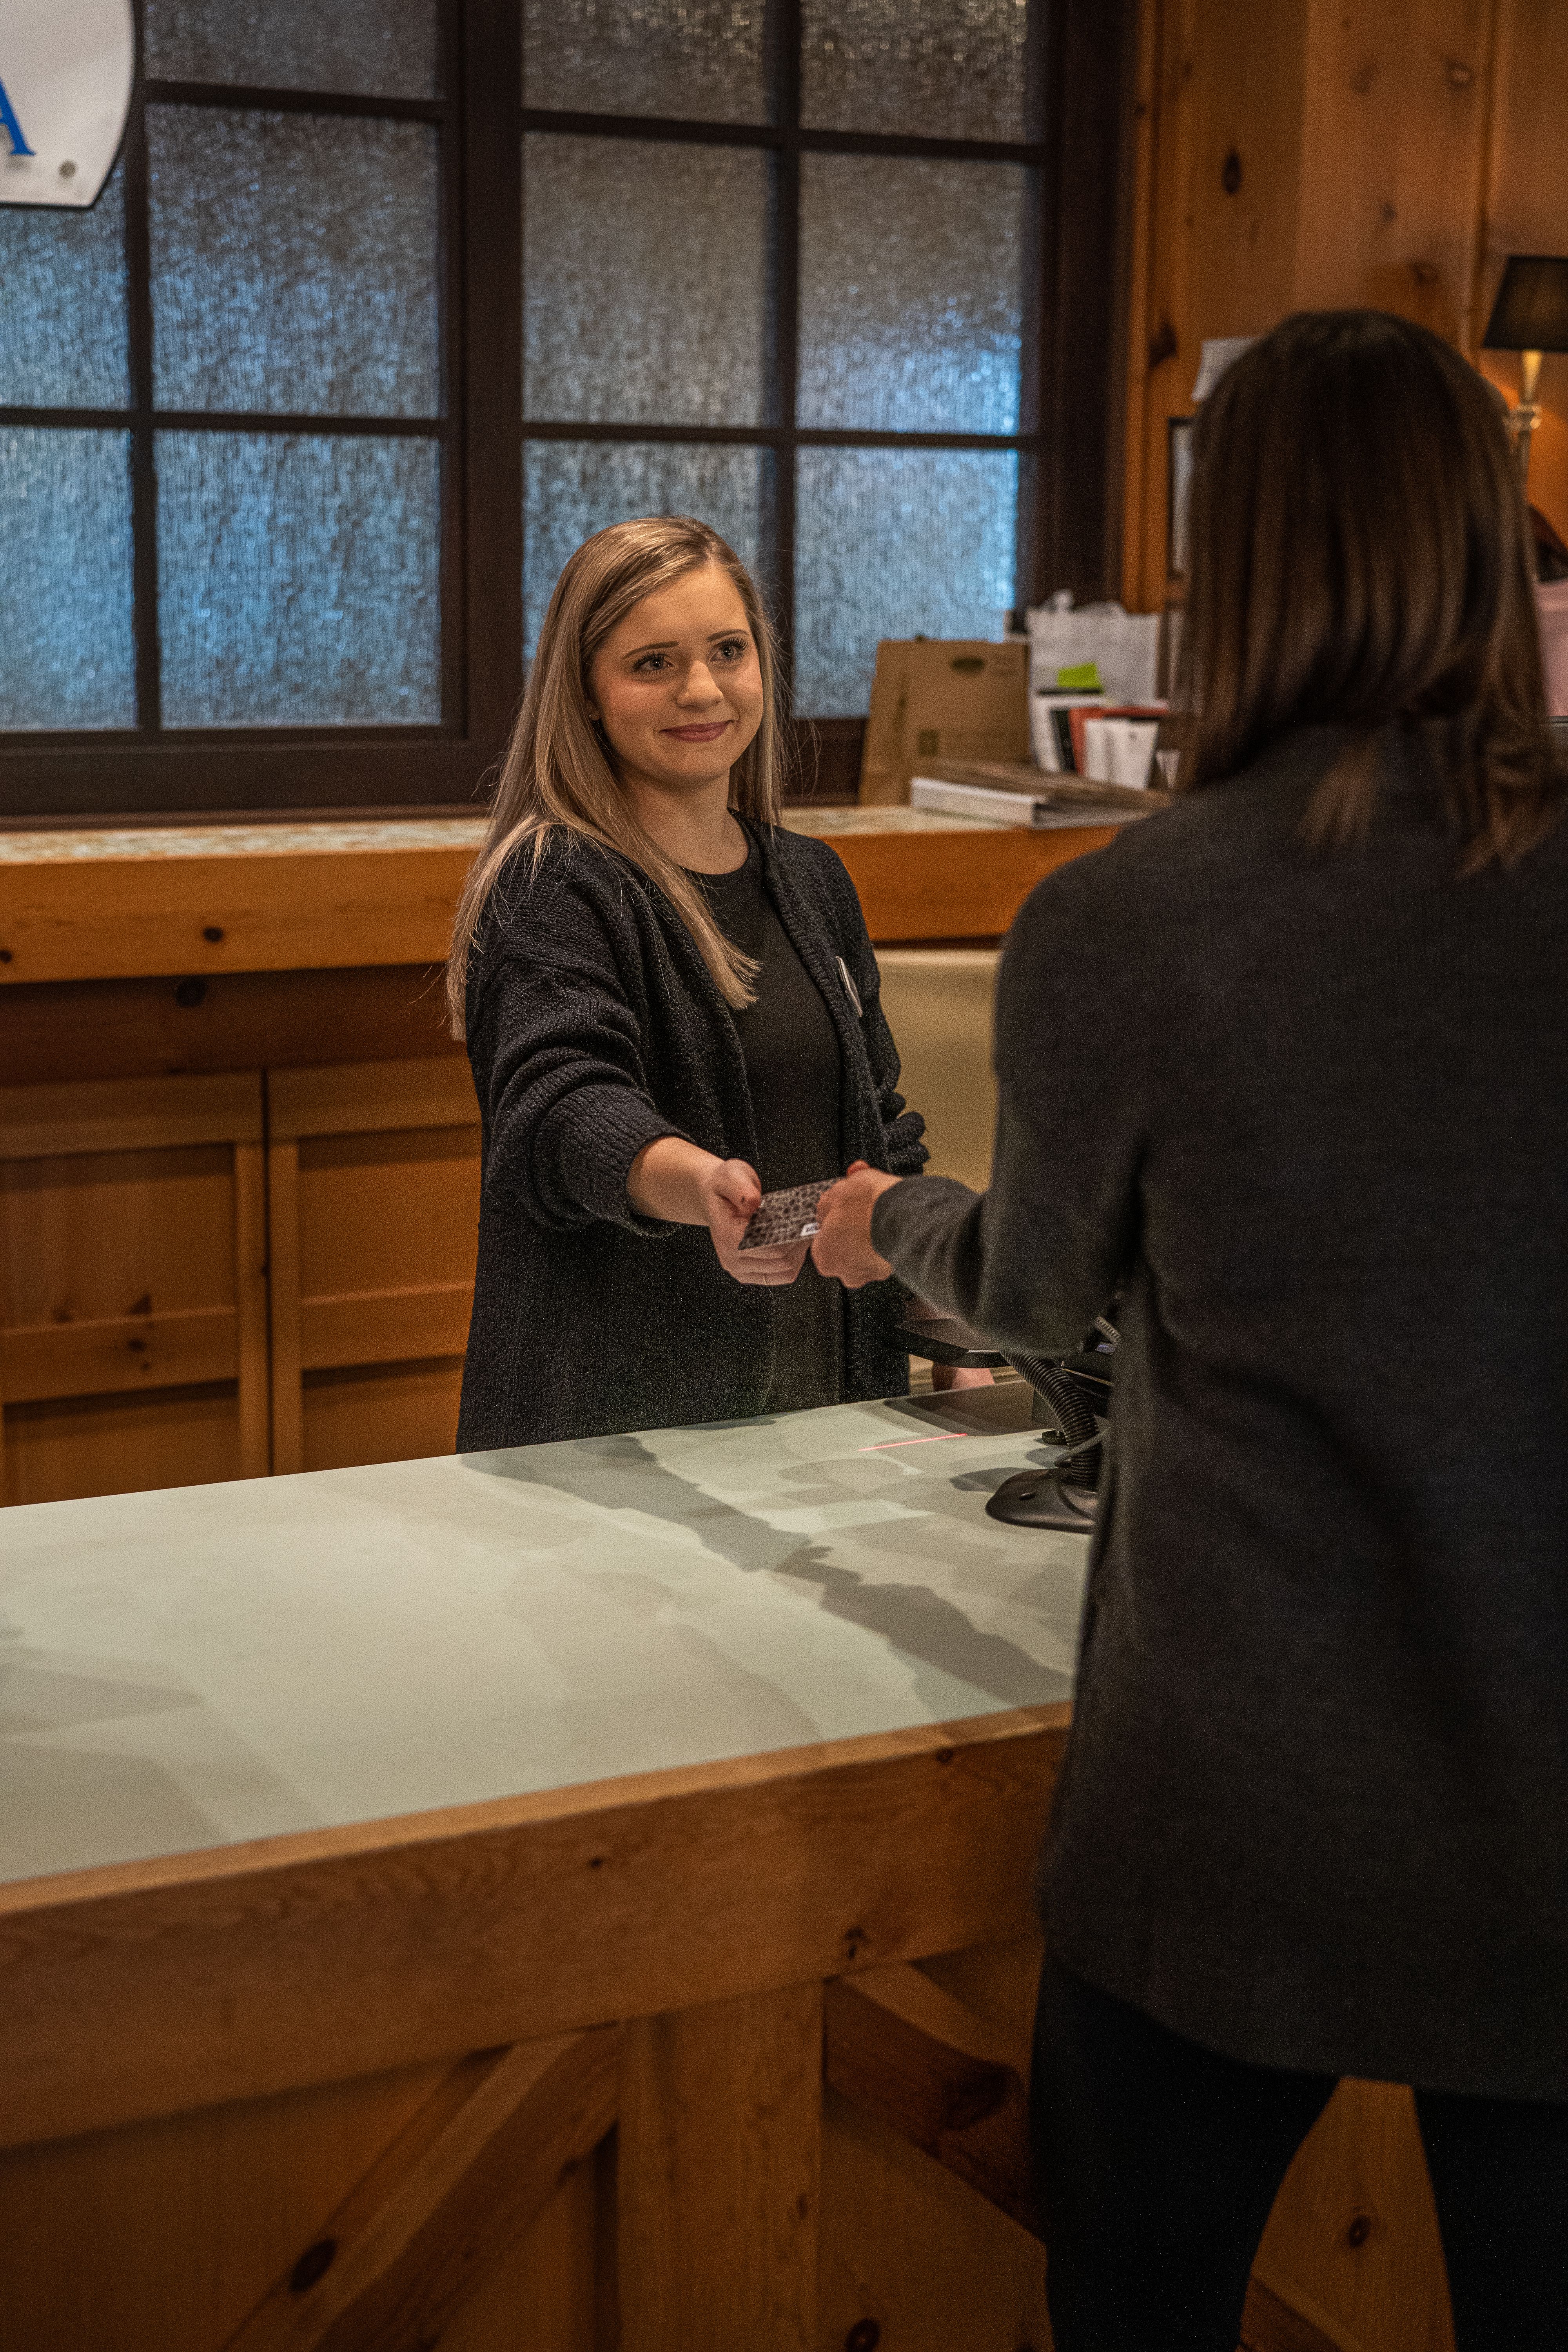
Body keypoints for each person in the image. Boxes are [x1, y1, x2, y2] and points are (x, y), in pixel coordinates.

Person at [811, 310, 1568, 2349]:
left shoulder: (1137, 920)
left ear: (1231, 569)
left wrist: (900, 1224)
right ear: (1496, 550)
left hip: (1236, 1795)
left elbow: (1041, 1299)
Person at [447, 512, 929, 1449]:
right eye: (653, 663)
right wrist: (699, 1184)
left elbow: (878, 1118)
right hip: (622, 1430)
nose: (701, 689)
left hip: (835, 1403)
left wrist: (924, 1297)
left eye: (726, 651)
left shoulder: (811, 878)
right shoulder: (553, 881)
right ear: (585, 692)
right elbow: (560, 1108)